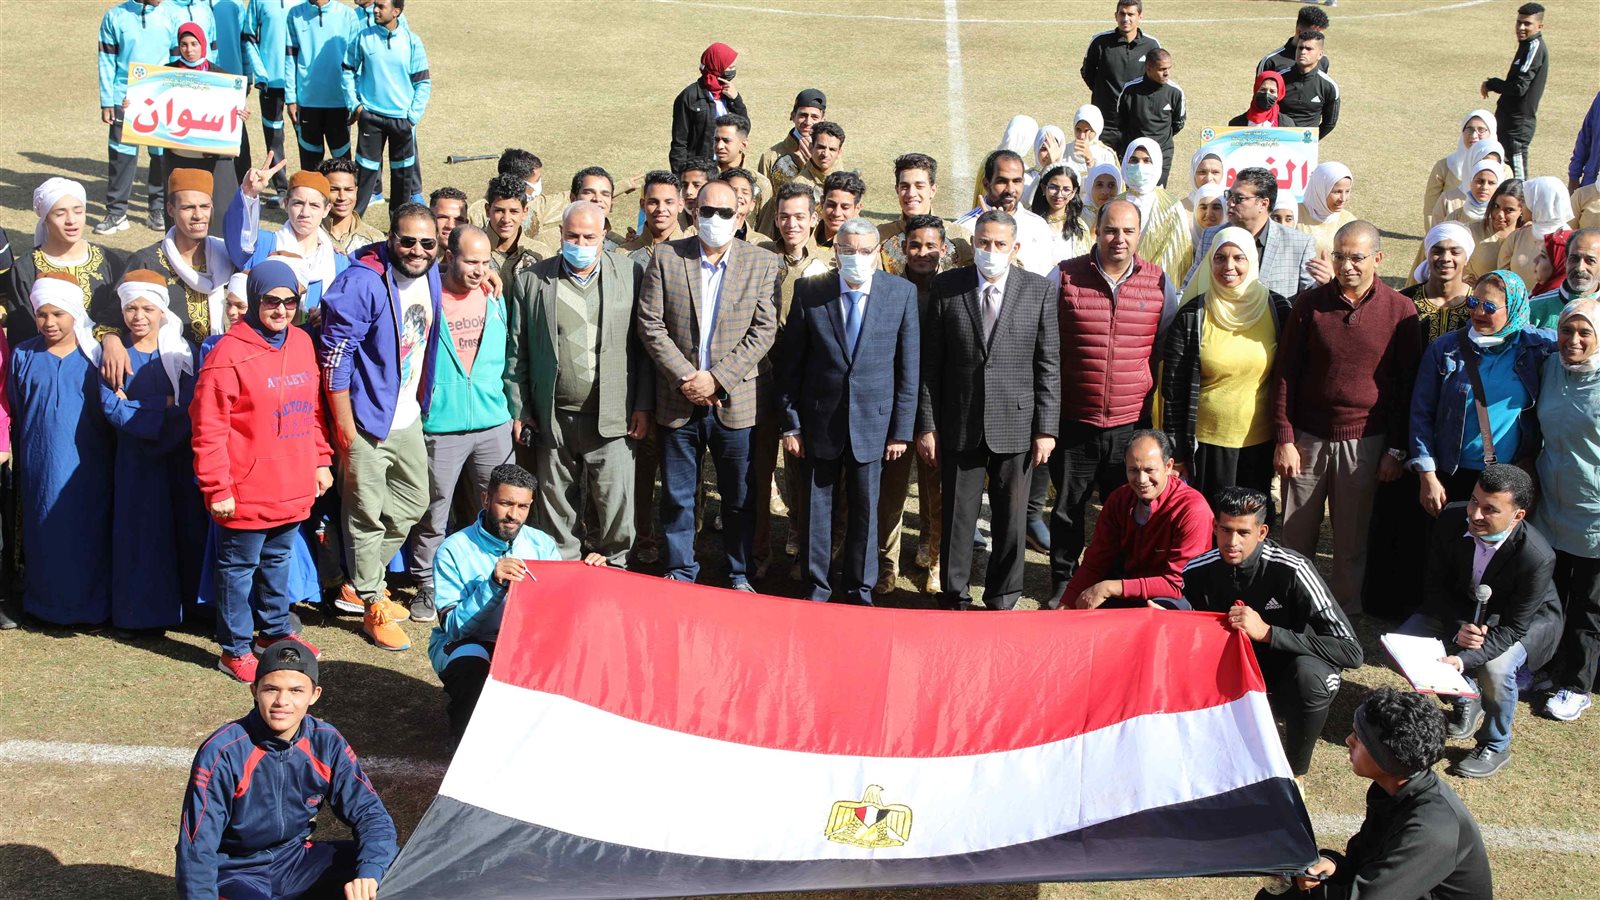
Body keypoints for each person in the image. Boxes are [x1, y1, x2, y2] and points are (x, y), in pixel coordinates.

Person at [635, 180, 780, 591]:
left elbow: (763, 330)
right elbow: (650, 324)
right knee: (679, 495)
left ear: (741, 216)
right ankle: (680, 571)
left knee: (738, 496)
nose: (714, 220)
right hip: (678, 399)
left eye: (724, 212)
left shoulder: (761, 263)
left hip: (734, 402)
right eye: (706, 211)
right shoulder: (666, 256)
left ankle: (738, 572)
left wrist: (717, 379)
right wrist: (687, 377)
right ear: (693, 212)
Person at [191, 261, 333, 677]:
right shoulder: (226, 355)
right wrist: (217, 487)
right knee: (237, 572)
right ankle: (233, 649)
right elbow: (208, 428)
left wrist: (321, 460)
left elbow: (312, 410)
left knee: (278, 561)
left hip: (292, 484)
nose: (282, 309)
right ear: (255, 299)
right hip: (245, 488)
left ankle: (273, 632)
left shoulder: (303, 343)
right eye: (272, 300)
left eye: (291, 301)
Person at [1274, 221, 1424, 613]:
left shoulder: (1400, 310)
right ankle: (1292, 604)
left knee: (1350, 540)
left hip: (1365, 442)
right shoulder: (1309, 304)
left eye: (1357, 257)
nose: (1347, 266)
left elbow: (1406, 386)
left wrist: (1395, 448)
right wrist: (1285, 437)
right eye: (1339, 256)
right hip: (1307, 438)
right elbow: (1286, 372)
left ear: (1378, 258)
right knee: (1295, 533)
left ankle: (1341, 614)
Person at [176, 641, 399, 900]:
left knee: (395, 865)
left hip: (295, 861)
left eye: (296, 690)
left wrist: (369, 874)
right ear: (254, 690)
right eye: (271, 689)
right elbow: (196, 845)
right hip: (235, 873)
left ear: (314, 695)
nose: (282, 701)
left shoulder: (326, 741)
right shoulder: (223, 751)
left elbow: (371, 815)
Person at [917, 209, 1059, 611]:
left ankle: (1003, 596)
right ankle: (954, 593)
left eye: (999, 245)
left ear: (1014, 249)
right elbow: (931, 366)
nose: (990, 251)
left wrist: (1045, 427)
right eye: (983, 243)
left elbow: (1048, 362)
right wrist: (927, 424)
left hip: (1016, 423)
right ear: (973, 244)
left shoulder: (1038, 291)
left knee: (1011, 519)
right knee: (958, 518)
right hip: (959, 421)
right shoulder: (947, 287)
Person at [320, 203, 443, 649]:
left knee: (413, 501)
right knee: (365, 514)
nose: (416, 250)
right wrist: (345, 428)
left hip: (406, 414)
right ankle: (371, 603)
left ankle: (360, 582)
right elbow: (335, 358)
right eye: (407, 240)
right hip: (366, 420)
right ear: (391, 237)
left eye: (426, 243)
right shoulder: (361, 283)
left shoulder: (429, 272)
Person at [780, 218, 919, 604]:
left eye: (864, 251)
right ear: (835, 253)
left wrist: (900, 430)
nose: (855, 258)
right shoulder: (810, 292)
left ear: (877, 253)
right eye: (847, 251)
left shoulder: (900, 293)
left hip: (874, 425)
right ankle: (817, 585)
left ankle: (860, 588)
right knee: (817, 509)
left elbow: (908, 368)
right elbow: (792, 364)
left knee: (866, 510)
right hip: (819, 422)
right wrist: (791, 425)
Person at [505, 202, 650, 568]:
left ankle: (616, 564)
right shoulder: (532, 281)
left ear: (604, 235)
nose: (580, 242)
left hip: (614, 415)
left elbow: (645, 348)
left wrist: (643, 404)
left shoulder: (630, 274)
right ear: (560, 235)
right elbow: (516, 352)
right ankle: (562, 567)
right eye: (572, 236)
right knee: (555, 502)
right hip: (554, 416)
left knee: (615, 501)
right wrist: (521, 409)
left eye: (589, 236)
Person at [1047, 199, 1178, 598]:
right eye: (1110, 230)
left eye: (1128, 231)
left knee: (1123, 510)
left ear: (1139, 235)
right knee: (1069, 508)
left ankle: (1115, 583)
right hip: (1075, 420)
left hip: (1129, 424)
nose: (1118, 239)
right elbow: (1046, 342)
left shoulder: (1159, 283)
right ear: (1096, 231)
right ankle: (1064, 582)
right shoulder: (1064, 276)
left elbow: (1163, 348)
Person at [1185, 486, 1361, 778]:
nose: (1231, 542)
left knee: (1308, 677)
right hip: (1234, 676)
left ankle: (1295, 774)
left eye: (1243, 532)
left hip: (1290, 674)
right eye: (1225, 530)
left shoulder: (1293, 569)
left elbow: (1351, 651)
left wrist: (1268, 633)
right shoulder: (1196, 571)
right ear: (1214, 527)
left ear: (1262, 532)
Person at [1401, 465, 1561, 778]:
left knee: (1495, 668)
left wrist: (1464, 660)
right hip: (1467, 610)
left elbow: (1515, 626)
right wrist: (1458, 624)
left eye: (1490, 509)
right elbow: (1434, 587)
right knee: (1408, 642)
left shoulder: (1537, 557)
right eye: (1474, 501)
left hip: (1526, 620)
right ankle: (1466, 698)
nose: (1475, 514)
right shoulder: (1450, 518)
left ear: (1518, 516)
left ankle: (1496, 743)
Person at [429, 464, 606, 740]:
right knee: (470, 666)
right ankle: (468, 746)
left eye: (522, 506)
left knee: (579, 658)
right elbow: (452, 628)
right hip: (468, 643)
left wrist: (591, 577)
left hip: (524, 641)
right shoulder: (453, 549)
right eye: (505, 503)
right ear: (486, 499)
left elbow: (561, 608)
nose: (514, 515)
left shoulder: (542, 544)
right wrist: (493, 585)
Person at [1264, 688, 1491, 899]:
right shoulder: (1394, 789)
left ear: (1388, 758)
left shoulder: (1430, 828)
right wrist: (1334, 864)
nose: (1348, 741)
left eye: (1359, 737)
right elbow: (1367, 861)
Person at [1364, 222, 1484, 620]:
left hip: (1461, 433)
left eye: (1454, 251)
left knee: (1450, 520)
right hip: (1406, 425)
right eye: (1437, 250)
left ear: (1467, 257)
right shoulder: (1403, 304)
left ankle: (1443, 606)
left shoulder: (1480, 308)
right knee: (1400, 516)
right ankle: (1394, 602)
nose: (1445, 259)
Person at [399, 225, 514, 622]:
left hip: (492, 421)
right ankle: (428, 584)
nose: (480, 271)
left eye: (486, 263)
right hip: (440, 425)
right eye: (471, 261)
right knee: (433, 510)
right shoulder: (426, 293)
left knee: (498, 506)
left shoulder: (496, 296)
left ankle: (495, 577)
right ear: (448, 256)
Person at [8, 275, 114, 627]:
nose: (50, 323)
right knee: (44, 532)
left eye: (58, 314)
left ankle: (89, 610)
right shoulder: (23, 354)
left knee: (86, 534)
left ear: (73, 312)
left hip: (87, 465)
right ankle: (43, 607)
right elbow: (19, 407)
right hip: (38, 463)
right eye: (42, 315)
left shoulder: (94, 356)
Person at [101, 270, 204, 632]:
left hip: (176, 459)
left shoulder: (181, 355)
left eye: (147, 308)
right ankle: (140, 614)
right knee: (140, 534)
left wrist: (144, 406)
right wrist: (165, 402)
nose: (139, 316)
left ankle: (190, 609)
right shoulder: (114, 356)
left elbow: (189, 407)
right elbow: (110, 407)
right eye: (131, 308)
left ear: (162, 311)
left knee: (183, 531)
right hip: (134, 463)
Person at [1161, 227, 1293, 501]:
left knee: (1250, 524)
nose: (1229, 266)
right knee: (1210, 523)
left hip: (1259, 444)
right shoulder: (1191, 316)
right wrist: (1176, 450)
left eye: (1238, 258)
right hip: (1207, 445)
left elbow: (1291, 378)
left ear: (1252, 261)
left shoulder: (1277, 309)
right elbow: (1173, 389)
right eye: (1220, 258)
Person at [1410, 270, 1550, 521]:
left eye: (1489, 306)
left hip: (1508, 476)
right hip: (1451, 473)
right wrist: (1427, 474)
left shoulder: (1536, 347)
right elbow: (1421, 413)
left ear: (1515, 309)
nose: (1478, 312)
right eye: (1474, 302)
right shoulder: (1445, 349)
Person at [752, 182, 833, 578]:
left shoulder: (827, 265)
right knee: (759, 465)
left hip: (806, 382)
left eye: (800, 216)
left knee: (802, 471)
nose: (791, 224)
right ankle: (758, 552)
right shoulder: (757, 257)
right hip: (760, 375)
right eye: (784, 216)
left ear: (814, 219)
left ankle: (802, 548)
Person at [1534, 300, 1600, 721]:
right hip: (1551, 504)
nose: (1573, 340)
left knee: (1589, 605)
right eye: (1566, 330)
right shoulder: (1549, 368)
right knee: (1549, 595)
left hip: (1594, 509)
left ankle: (1577, 685)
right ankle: (1543, 667)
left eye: (1585, 333)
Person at [1061, 429, 1212, 610]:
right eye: (1133, 470)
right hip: (1128, 585)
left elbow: (1178, 583)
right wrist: (1067, 602)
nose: (1141, 480)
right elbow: (1096, 561)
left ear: (1169, 466)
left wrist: (1110, 587)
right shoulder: (1120, 499)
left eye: (1149, 470)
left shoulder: (1192, 509)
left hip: (1171, 597)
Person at [876, 215, 948, 595]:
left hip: (937, 410)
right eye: (915, 245)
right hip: (894, 410)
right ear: (902, 248)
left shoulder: (952, 291)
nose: (922, 252)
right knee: (891, 493)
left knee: (936, 492)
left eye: (930, 245)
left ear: (944, 249)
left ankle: (934, 558)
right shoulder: (888, 288)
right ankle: (886, 564)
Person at [125, 168, 239, 347]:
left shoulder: (225, 254)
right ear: (171, 209)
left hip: (213, 361)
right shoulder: (147, 261)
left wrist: (250, 196)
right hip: (165, 366)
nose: (198, 216)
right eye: (188, 207)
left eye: (204, 207)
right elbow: (120, 317)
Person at [9, 178, 122, 353]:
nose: (71, 220)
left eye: (78, 212)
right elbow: (22, 332)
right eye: (60, 213)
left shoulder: (109, 261)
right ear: (45, 219)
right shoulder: (25, 268)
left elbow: (121, 314)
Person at [224, 160, 349, 314]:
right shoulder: (264, 245)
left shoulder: (338, 262)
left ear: (326, 209)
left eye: (314, 205)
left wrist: (326, 316)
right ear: (286, 203)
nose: (305, 212)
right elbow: (238, 239)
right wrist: (249, 193)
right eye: (298, 203)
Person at [344, 0, 431, 213]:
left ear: (396, 12)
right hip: (371, 118)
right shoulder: (363, 37)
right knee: (365, 175)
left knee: (402, 178)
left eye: (381, 6)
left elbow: (423, 82)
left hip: (401, 121)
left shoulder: (412, 42)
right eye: (375, 5)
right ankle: (354, 222)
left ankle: (398, 227)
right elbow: (347, 70)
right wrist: (355, 106)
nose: (375, 9)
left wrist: (412, 117)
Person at [95, 0, 174, 234]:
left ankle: (157, 209)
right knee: (122, 156)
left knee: (160, 156)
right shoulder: (115, 17)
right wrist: (107, 100)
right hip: (124, 98)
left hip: (161, 97)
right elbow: (107, 60)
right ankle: (116, 213)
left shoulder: (171, 15)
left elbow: (177, 59)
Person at [1186, 167, 1318, 301]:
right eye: (1229, 195)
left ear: (1263, 204)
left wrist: (1323, 284)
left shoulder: (1299, 244)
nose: (1230, 202)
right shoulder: (1212, 236)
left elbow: (1309, 297)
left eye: (1238, 198)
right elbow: (1189, 287)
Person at [953, 151, 1058, 276]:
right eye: (1002, 181)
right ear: (986, 184)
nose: (1010, 189)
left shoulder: (1039, 226)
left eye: (1017, 181)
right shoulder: (963, 228)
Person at [285, 0, 359, 171]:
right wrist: (290, 99)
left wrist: (354, 99)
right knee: (310, 165)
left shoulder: (348, 15)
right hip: (308, 102)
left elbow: (357, 61)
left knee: (343, 165)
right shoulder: (295, 14)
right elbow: (289, 58)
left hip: (339, 101)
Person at [1079, 0, 1160, 152]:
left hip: (1136, 123)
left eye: (1131, 14)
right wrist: (1102, 92)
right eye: (1122, 14)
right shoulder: (1100, 42)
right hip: (1105, 123)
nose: (1126, 18)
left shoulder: (1152, 45)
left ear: (1140, 17)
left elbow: (1156, 81)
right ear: (1116, 16)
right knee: (1102, 171)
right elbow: (1087, 72)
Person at [1480, 3, 1548, 179]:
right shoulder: (1525, 45)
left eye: (1527, 24)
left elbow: (1519, 87)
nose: (1521, 28)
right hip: (1507, 123)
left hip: (1517, 128)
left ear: (1540, 26)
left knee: (1519, 182)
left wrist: (1493, 84)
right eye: (1519, 23)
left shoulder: (1534, 47)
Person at [243, 0, 299, 202]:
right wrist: (260, 73)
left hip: (299, 80)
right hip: (270, 81)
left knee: (305, 136)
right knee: (274, 136)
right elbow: (248, 36)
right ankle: (282, 190)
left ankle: (305, 187)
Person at [878, 153, 967, 276]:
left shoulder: (958, 236)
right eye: (904, 186)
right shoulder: (880, 236)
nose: (911, 193)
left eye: (919, 186)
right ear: (897, 190)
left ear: (933, 190)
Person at [1116, 139, 1192, 282]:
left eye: (1147, 161)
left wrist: (1146, 280)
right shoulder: (1115, 203)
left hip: (1155, 286)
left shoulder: (1171, 206)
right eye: (1134, 160)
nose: (1140, 166)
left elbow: (1175, 255)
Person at [670, 42, 745, 174]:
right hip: (701, 171)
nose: (733, 71)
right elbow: (679, 143)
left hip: (729, 167)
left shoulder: (728, 92)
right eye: (729, 67)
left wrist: (736, 99)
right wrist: (680, 178)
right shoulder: (689, 97)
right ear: (717, 66)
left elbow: (744, 129)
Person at [1114, 49, 1185, 187]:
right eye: (1162, 69)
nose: (1167, 73)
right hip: (1135, 155)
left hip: (1162, 154)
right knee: (1132, 195)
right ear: (1148, 68)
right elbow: (1120, 121)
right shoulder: (1130, 90)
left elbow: (1178, 123)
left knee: (1158, 196)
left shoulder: (1175, 92)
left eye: (1169, 68)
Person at [1422, 110, 1499, 229]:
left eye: (1481, 130)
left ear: (1491, 133)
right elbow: (1430, 208)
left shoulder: (1503, 170)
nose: (1474, 135)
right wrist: (1433, 236)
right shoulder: (1445, 165)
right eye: (1469, 129)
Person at [1496, 176, 1572, 286]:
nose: (1521, 206)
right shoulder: (1517, 237)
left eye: (1525, 201)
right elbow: (1502, 279)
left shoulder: (1571, 242)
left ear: (1540, 204)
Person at [1425, 141, 1506, 232]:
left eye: (1491, 183)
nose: (1485, 187)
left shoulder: (1503, 209)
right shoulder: (1449, 200)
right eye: (1483, 162)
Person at [711, 114, 774, 233]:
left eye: (726, 141)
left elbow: (766, 227)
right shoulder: (706, 178)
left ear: (743, 145)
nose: (719, 146)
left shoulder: (760, 184)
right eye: (716, 140)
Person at [1528, 228, 1600, 327]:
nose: (1580, 268)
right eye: (1574, 259)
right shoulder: (1534, 309)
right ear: (1565, 262)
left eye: (1590, 260)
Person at [1276, 31, 1339, 138]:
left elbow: (1330, 123)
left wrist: (1311, 141)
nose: (1303, 52)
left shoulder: (1328, 86)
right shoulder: (1278, 79)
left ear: (1320, 55)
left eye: (1309, 49)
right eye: (1300, 48)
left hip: (1306, 143)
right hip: (1278, 140)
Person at [318, 158, 386, 256]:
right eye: (334, 189)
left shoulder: (375, 239)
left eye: (348, 190)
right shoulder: (308, 236)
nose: (342, 197)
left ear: (356, 191)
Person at [483, 173, 549, 273]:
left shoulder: (540, 254)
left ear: (525, 212)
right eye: (499, 211)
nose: (506, 219)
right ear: (488, 210)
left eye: (514, 211)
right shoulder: (469, 249)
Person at [1467, 178, 1527, 284]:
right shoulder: (1473, 231)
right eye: (1496, 206)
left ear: (1522, 210)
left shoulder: (1528, 237)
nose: (1500, 215)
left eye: (1509, 210)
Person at [1030, 165, 1092, 265]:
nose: (1059, 194)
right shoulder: (1030, 222)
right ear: (1043, 188)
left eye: (1066, 189)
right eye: (1053, 188)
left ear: (1073, 193)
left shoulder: (1080, 228)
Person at [757, 88, 826, 179]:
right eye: (803, 115)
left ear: (823, 120)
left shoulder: (830, 154)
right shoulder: (771, 157)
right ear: (793, 116)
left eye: (814, 117)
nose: (808, 122)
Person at [622, 171, 688, 263]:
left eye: (669, 202)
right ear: (642, 205)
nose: (661, 209)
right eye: (653, 202)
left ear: (680, 205)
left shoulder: (697, 251)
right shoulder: (624, 255)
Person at [768, 121, 846, 199]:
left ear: (839, 153)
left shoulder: (845, 184)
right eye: (821, 147)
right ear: (811, 148)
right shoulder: (797, 188)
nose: (825, 154)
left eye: (832, 149)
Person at [1297, 162, 1356, 255]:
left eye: (1347, 191)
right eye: (1337, 192)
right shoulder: (1294, 215)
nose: (1343, 199)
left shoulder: (1349, 221)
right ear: (1320, 189)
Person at [1256, 4, 1330, 76]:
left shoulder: (1322, 60)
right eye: (1315, 34)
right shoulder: (1271, 62)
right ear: (1299, 31)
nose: (1319, 39)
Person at [1062, 105, 1119, 182]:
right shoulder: (1064, 151)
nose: (1082, 136)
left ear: (1096, 129)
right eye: (1078, 129)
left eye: (1086, 131)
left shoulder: (1106, 155)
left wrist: (1090, 160)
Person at [815, 170, 865, 249]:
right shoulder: (805, 232)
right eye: (831, 205)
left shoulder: (862, 247)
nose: (837, 213)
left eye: (845, 207)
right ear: (822, 202)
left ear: (857, 208)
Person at [1023, 124, 1066, 207]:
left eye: (1053, 149)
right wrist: (1048, 166)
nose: (1049, 154)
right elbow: (1028, 202)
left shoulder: (1068, 174)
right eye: (1044, 149)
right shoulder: (1028, 176)